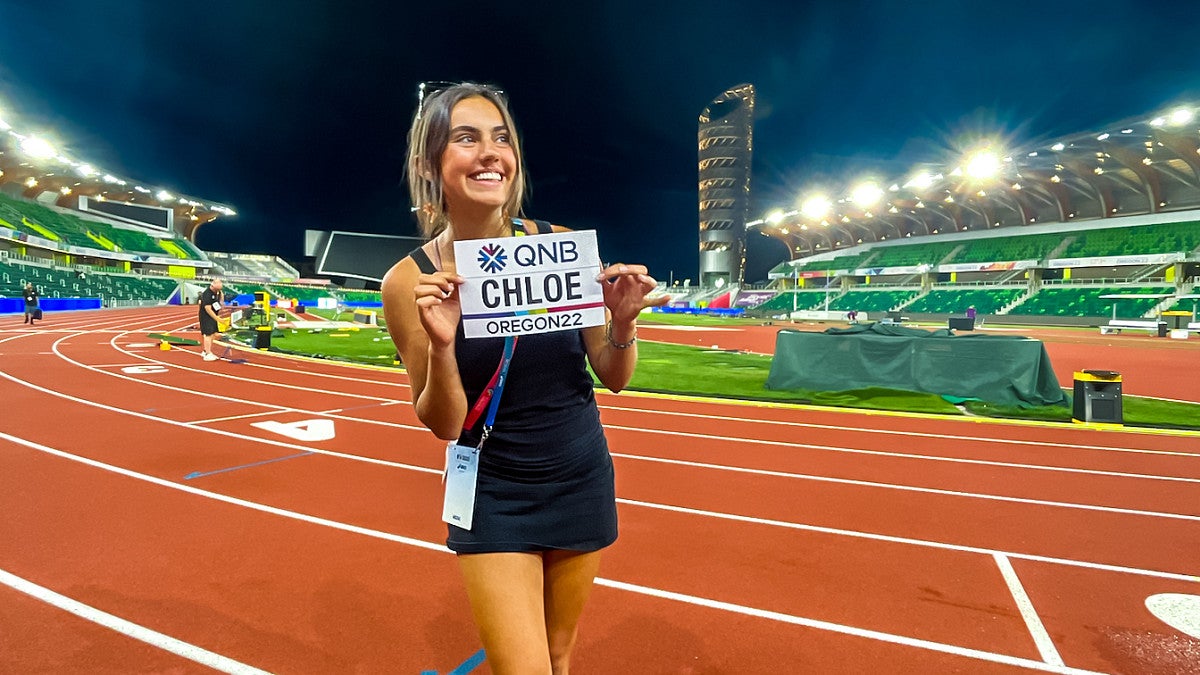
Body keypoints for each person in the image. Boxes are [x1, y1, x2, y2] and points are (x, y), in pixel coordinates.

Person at [382, 82, 666, 675]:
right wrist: (441, 345)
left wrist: (622, 322)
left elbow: (613, 377)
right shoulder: (408, 281)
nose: (491, 153)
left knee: (560, 655)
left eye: (501, 138)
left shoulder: (560, 247)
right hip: (493, 491)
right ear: (428, 164)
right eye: (466, 138)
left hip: (579, 473)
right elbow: (443, 423)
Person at [197, 278, 225, 361]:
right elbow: (208, 308)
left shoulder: (217, 292)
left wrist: (221, 295)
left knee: (213, 333)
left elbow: (220, 303)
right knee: (208, 334)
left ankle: (206, 350)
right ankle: (208, 354)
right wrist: (217, 319)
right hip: (206, 316)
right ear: (213, 285)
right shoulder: (207, 294)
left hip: (213, 316)